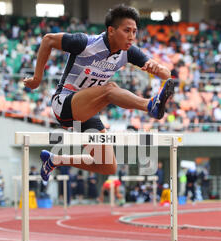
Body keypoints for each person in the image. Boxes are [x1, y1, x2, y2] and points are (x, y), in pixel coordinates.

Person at [24, 4, 175, 181]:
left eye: (134, 32)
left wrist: (158, 68)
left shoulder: (128, 53)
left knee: (107, 165)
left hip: (87, 111)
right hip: (64, 104)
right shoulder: (85, 43)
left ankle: (55, 159)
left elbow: (167, 75)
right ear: (111, 30)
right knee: (110, 89)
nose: (132, 37)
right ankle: (150, 105)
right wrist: (36, 79)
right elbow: (48, 39)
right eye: (127, 31)